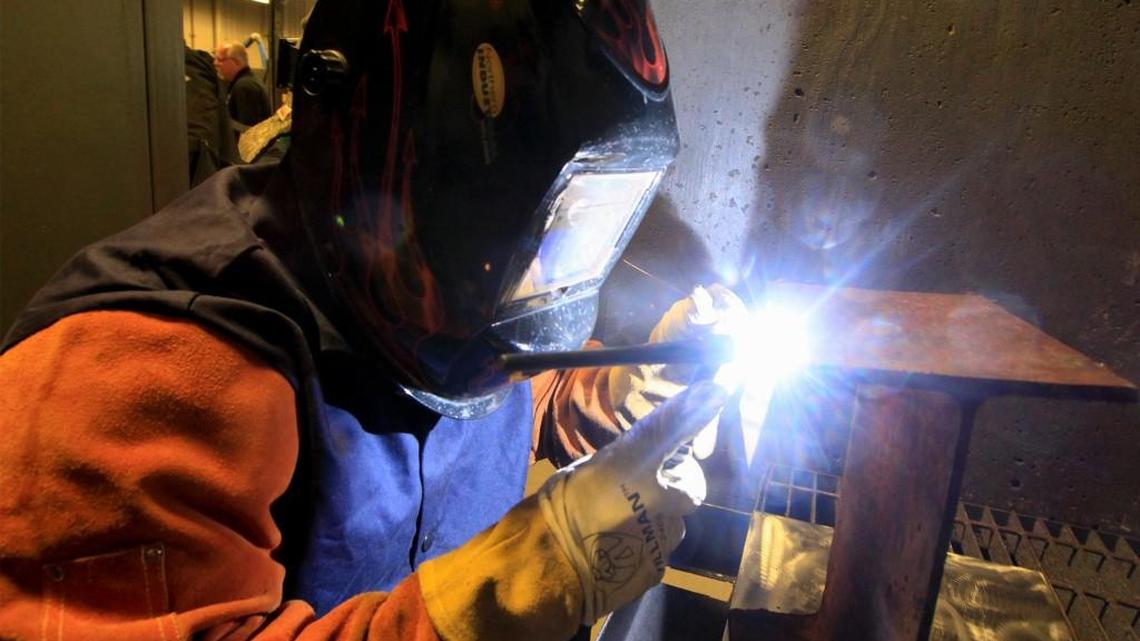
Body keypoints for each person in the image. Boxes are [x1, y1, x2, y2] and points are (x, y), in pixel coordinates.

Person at [0, 1, 739, 639]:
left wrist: (631, 391)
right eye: (534, 225)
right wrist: (516, 586)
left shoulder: (445, 311)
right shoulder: (140, 375)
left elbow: (512, 400)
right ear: (406, 148)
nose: (545, 275)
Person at [215, 41, 272, 130]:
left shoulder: (245, 86)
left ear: (236, 62)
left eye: (220, 60)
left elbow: (248, 130)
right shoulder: (243, 82)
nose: (216, 63)